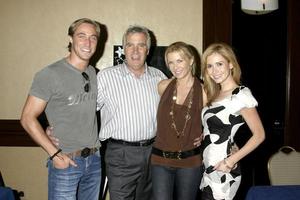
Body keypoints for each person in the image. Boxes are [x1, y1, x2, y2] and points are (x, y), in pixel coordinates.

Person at [20, 18, 102, 200]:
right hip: (67, 161)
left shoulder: (95, 74)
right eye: (82, 36)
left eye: (93, 37)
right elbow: (27, 117)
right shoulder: (50, 74)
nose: (88, 43)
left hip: (95, 160)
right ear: (71, 39)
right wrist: (54, 154)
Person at [96, 25, 167, 200]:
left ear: (148, 50)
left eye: (141, 45)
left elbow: (176, 113)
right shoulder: (106, 77)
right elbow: (85, 111)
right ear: (123, 48)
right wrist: (56, 127)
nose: (135, 50)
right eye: (130, 45)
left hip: (153, 152)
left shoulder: (159, 78)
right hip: (120, 153)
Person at [199, 42, 265, 200]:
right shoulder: (214, 93)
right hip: (209, 166)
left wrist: (231, 161)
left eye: (219, 64)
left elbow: (259, 135)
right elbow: (216, 128)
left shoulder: (241, 94)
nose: (215, 71)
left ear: (230, 64)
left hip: (224, 168)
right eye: (210, 66)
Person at [150, 42, 203, 200]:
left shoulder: (205, 91)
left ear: (191, 60)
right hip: (160, 160)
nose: (175, 66)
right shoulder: (162, 86)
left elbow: (217, 122)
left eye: (180, 60)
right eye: (171, 62)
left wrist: (205, 133)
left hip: (190, 162)